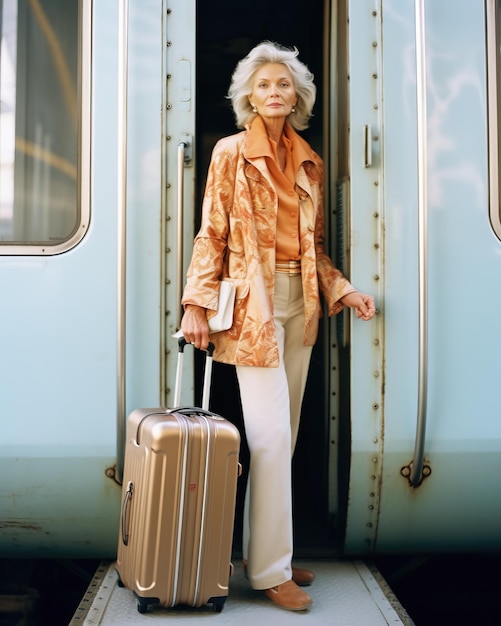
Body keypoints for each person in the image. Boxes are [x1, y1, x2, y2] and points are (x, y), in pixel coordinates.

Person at [181, 41, 376, 612]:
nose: (273, 92)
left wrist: (344, 289)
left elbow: (314, 249)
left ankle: (270, 553)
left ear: (297, 97)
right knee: (266, 439)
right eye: (263, 84)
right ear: (248, 96)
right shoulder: (231, 153)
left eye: (283, 84)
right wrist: (196, 303)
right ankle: (270, 572)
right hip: (253, 311)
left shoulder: (310, 160)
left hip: (302, 302)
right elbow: (211, 232)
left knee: (282, 442)